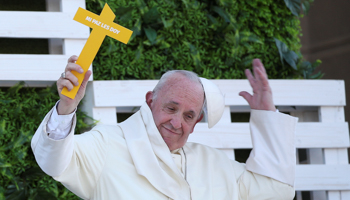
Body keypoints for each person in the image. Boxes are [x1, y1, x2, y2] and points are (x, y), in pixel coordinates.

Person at [31, 55, 298, 200]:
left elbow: (277, 190)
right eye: (171, 108)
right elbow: (53, 160)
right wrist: (66, 107)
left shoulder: (215, 163)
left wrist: (267, 116)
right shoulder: (107, 143)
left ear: (195, 124)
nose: (176, 122)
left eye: (188, 115)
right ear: (150, 101)